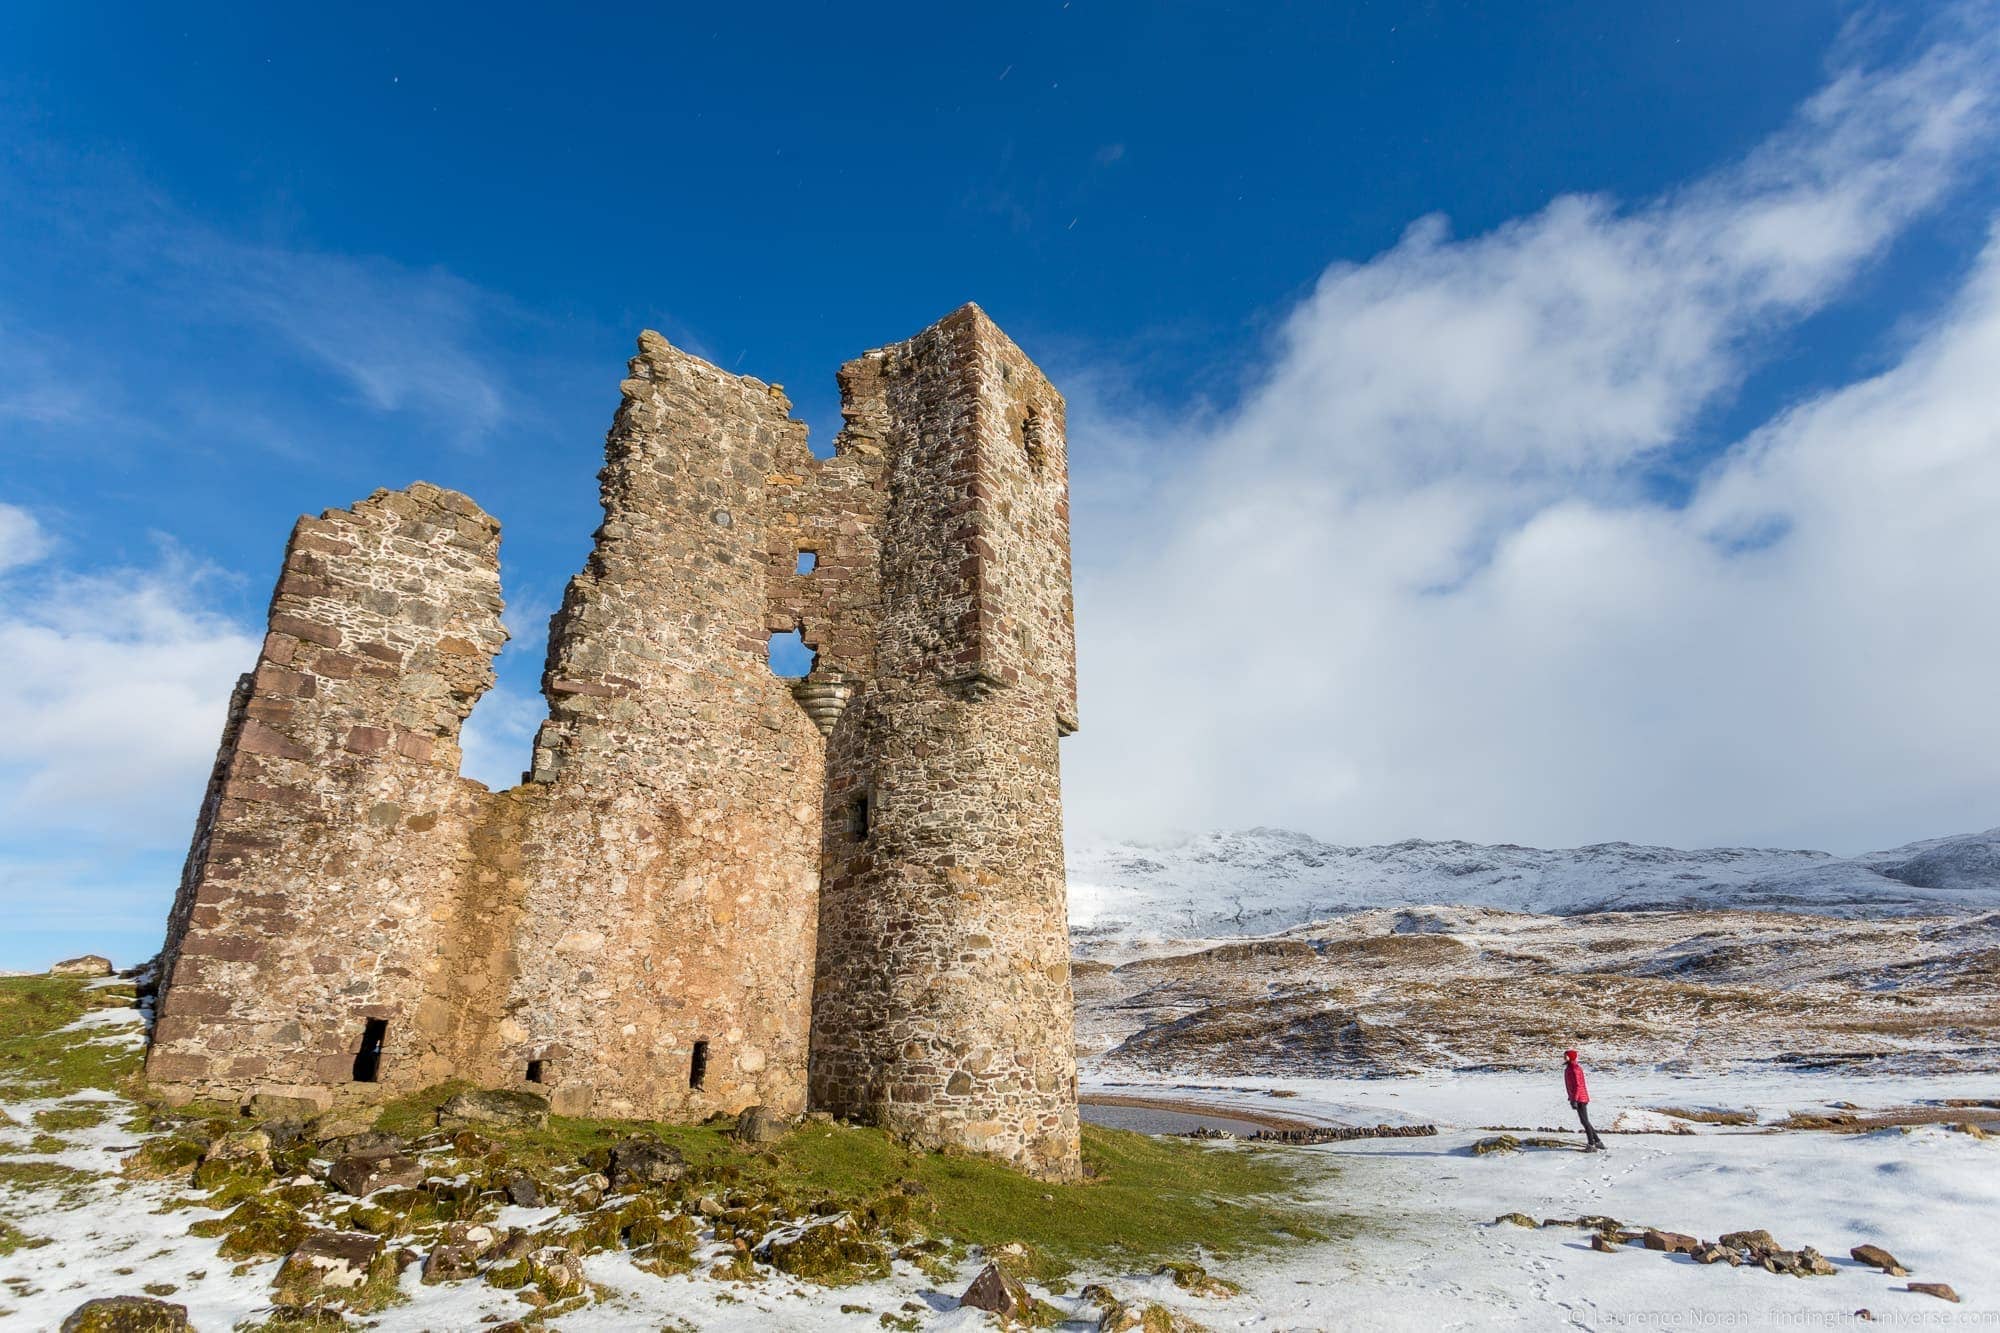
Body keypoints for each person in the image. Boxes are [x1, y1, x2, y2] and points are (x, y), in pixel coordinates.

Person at [1564, 1049, 1606, 1151]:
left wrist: (1574, 1099)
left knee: (1584, 1121)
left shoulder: (1575, 1069)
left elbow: (1578, 1085)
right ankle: (1598, 1141)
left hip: (1580, 1098)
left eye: (1566, 1056)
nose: (1564, 1057)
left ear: (1571, 1057)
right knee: (1585, 1121)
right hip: (1577, 1097)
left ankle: (1591, 1144)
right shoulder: (1569, 1068)